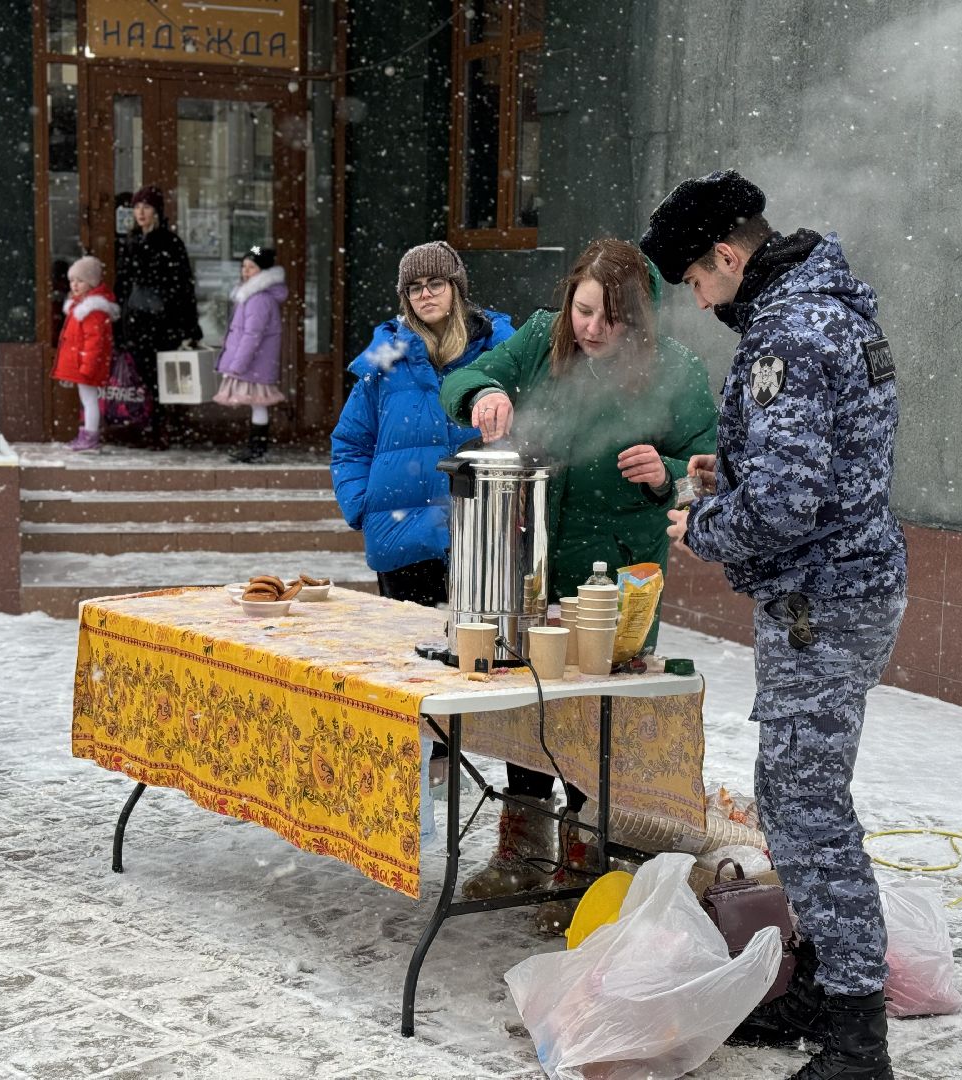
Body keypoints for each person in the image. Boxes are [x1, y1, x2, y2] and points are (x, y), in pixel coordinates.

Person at [643, 170, 905, 1080]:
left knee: (808, 809)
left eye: (696, 281)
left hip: (820, 604)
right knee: (800, 797)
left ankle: (854, 1035)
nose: (699, 300)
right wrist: (739, 463)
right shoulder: (826, 309)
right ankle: (827, 982)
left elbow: (790, 506)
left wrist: (701, 524)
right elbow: (826, 460)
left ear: (725, 255)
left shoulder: (788, 332)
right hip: (845, 591)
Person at [439, 237, 718, 903]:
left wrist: (668, 474)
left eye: (608, 319)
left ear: (638, 323)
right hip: (532, 565)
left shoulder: (674, 372)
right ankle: (521, 852)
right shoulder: (541, 338)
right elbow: (461, 377)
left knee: (593, 718)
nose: (590, 329)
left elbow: (712, 466)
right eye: (582, 310)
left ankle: (584, 864)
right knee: (525, 704)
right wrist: (482, 397)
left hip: (616, 578)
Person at [331, 240, 514, 606]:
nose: (425, 294)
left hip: (482, 533)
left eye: (435, 283)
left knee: (479, 653)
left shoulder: (498, 352)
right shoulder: (385, 363)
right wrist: (362, 506)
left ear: (456, 288)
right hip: (400, 534)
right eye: (414, 288)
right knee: (407, 654)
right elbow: (350, 443)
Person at [113, 185, 203, 448]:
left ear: (157, 211)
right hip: (136, 323)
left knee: (165, 379)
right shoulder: (130, 241)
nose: (141, 213)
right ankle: (147, 427)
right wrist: (118, 321)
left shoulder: (170, 243)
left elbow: (183, 286)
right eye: (137, 207)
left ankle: (163, 430)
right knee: (143, 376)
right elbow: (123, 285)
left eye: (146, 207)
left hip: (164, 324)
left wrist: (189, 326)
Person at [213, 245, 288, 463]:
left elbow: (252, 335)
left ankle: (257, 448)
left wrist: (238, 364)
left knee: (258, 403)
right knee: (258, 404)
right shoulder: (252, 296)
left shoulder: (259, 299)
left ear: (262, 272)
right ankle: (256, 447)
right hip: (256, 363)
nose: (245, 271)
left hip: (255, 364)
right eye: (244, 266)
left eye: (251, 267)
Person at [52, 255, 120, 452]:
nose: (74, 285)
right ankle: (86, 435)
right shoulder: (79, 307)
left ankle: (90, 437)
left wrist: (87, 366)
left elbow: (94, 342)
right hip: (82, 362)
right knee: (87, 400)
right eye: (72, 280)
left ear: (91, 282)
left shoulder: (92, 310)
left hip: (86, 364)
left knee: (89, 401)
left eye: (80, 281)